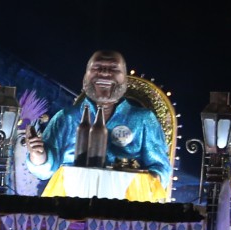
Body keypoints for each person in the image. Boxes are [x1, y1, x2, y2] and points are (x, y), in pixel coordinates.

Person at [20, 50, 171, 189]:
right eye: (97, 68)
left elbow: (161, 169)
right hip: (72, 201)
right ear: (85, 77)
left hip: (125, 206)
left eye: (113, 68)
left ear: (125, 78)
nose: (105, 73)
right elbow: (44, 171)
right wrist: (38, 154)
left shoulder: (143, 119)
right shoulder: (67, 118)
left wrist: (132, 179)